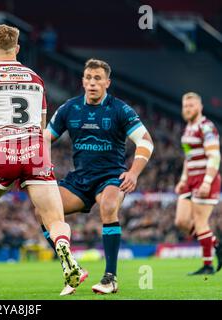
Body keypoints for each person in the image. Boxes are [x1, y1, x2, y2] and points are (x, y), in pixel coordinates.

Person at [0, 24, 87, 295]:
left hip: (3, 150)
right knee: (54, 217)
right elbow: (39, 123)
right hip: (35, 149)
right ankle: (64, 249)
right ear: (17, 48)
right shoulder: (36, 79)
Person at [43, 59, 154, 295]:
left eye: (97, 79)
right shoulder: (69, 109)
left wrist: (133, 172)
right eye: (88, 78)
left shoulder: (120, 109)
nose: (92, 83)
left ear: (107, 83)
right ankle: (72, 268)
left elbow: (146, 141)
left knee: (109, 205)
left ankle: (110, 278)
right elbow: (44, 139)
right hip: (79, 180)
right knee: (42, 209)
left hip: (111, 177)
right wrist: (38, 165)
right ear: (83, 81)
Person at [174, 92, 222, 275]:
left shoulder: (206, 127)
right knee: (181, 222)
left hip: (204, 178)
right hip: (191, 179)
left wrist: (207, 182)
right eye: (185, 106)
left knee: (200, 222)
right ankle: (216, 245)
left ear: (200, 107)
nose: (187, 109)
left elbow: (214, 156)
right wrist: (183, 180)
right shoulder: (188, 129)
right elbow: (189, 157)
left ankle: (208, 265)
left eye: (191, 105)